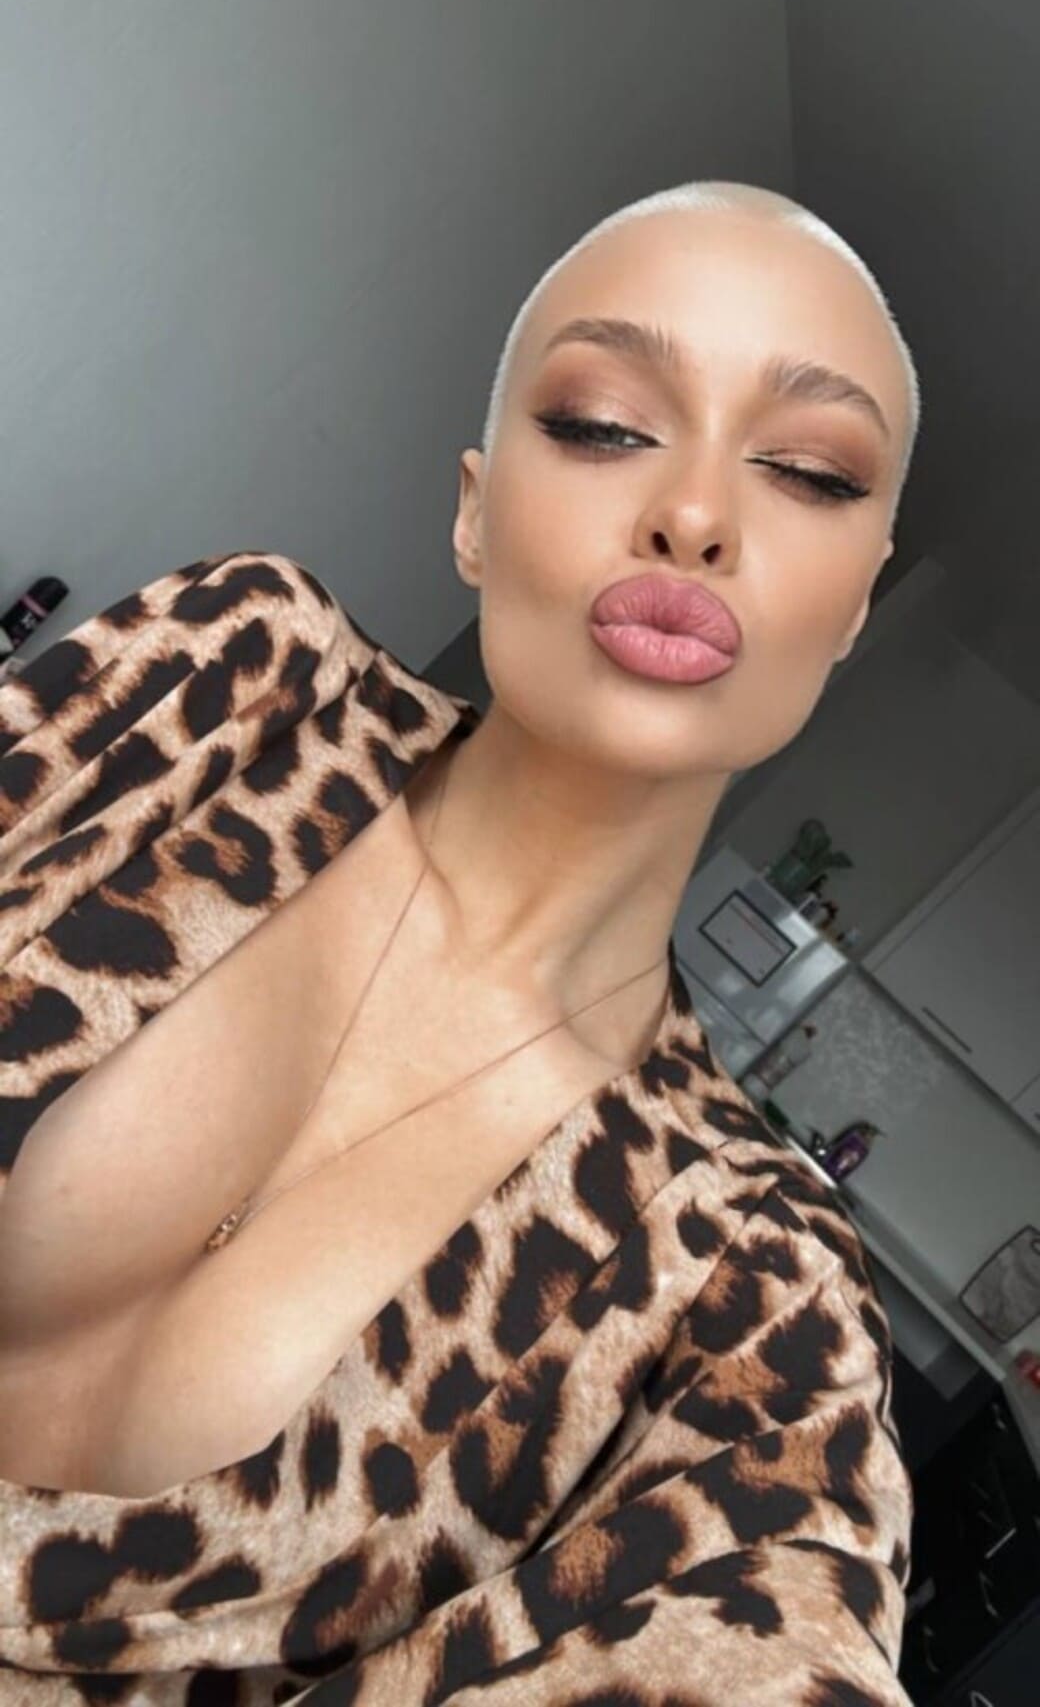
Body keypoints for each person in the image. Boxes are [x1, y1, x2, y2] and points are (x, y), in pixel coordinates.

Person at [0, 180, 918, 1703]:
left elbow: (776, 1633)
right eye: (605, 425)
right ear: (475, 513)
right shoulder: (240, 688)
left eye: (808, 472)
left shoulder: (748, 1279)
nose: (695, 513)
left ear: (856, 612)